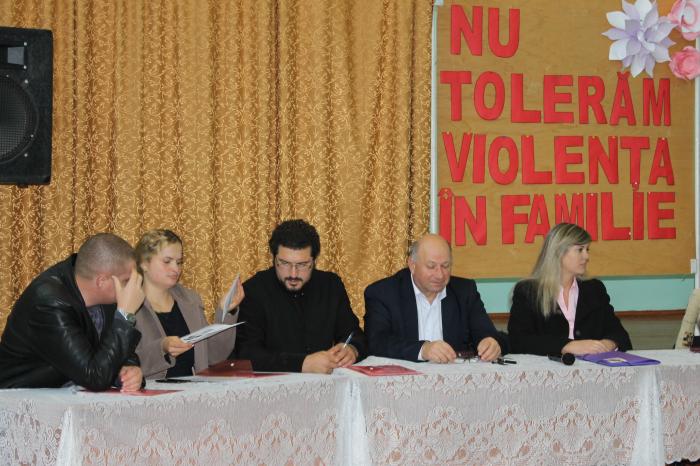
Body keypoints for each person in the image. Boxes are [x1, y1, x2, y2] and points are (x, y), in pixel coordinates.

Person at [0, 233, 145, 391]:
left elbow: (114, 351)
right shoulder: (49, 303)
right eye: (126, 280)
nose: (132, 288)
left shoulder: (105, 296)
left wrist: (130, 370)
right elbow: (95, 377)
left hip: (68, 394)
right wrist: (125, 315)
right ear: (102, 281)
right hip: (21, 398)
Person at [234, 219, 367, 373]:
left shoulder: (331, 285)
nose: (293, 274)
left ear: (314, 261)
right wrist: (302, 364)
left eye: (302, 265)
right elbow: (247, 354)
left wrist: (351, 349)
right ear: (274, 258)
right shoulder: (254, 290)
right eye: (284, 263)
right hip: (272, 384)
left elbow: (354, 334)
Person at [364, 234, 506, 363]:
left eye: (445, 266)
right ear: (412, 265)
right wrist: (423, 349)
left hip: (453, 378)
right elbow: (376, 342)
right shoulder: (383, 293)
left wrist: (491, 343)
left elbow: (487, 333)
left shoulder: (464, 292)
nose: (440, 275)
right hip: (401, 379)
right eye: (431, 266)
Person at [508, 223, 632, 356]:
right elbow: (518, 340)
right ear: (559, 252)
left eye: (587, 249)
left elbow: (619, 334)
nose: (586, 257)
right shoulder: (528, 291)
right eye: (580, 250)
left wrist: (609, 343)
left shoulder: (594, 289)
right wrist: (566, 346)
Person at [133, 229, 244, 379]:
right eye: (167, 261)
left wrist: (226, 312)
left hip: (193, 390)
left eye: (179, 262)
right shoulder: (130, 304)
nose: (176, 269)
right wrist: (162, 348)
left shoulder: (190, 300)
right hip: (150, 392)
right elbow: (123, 364)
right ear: (144, 263)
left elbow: (214, 356)